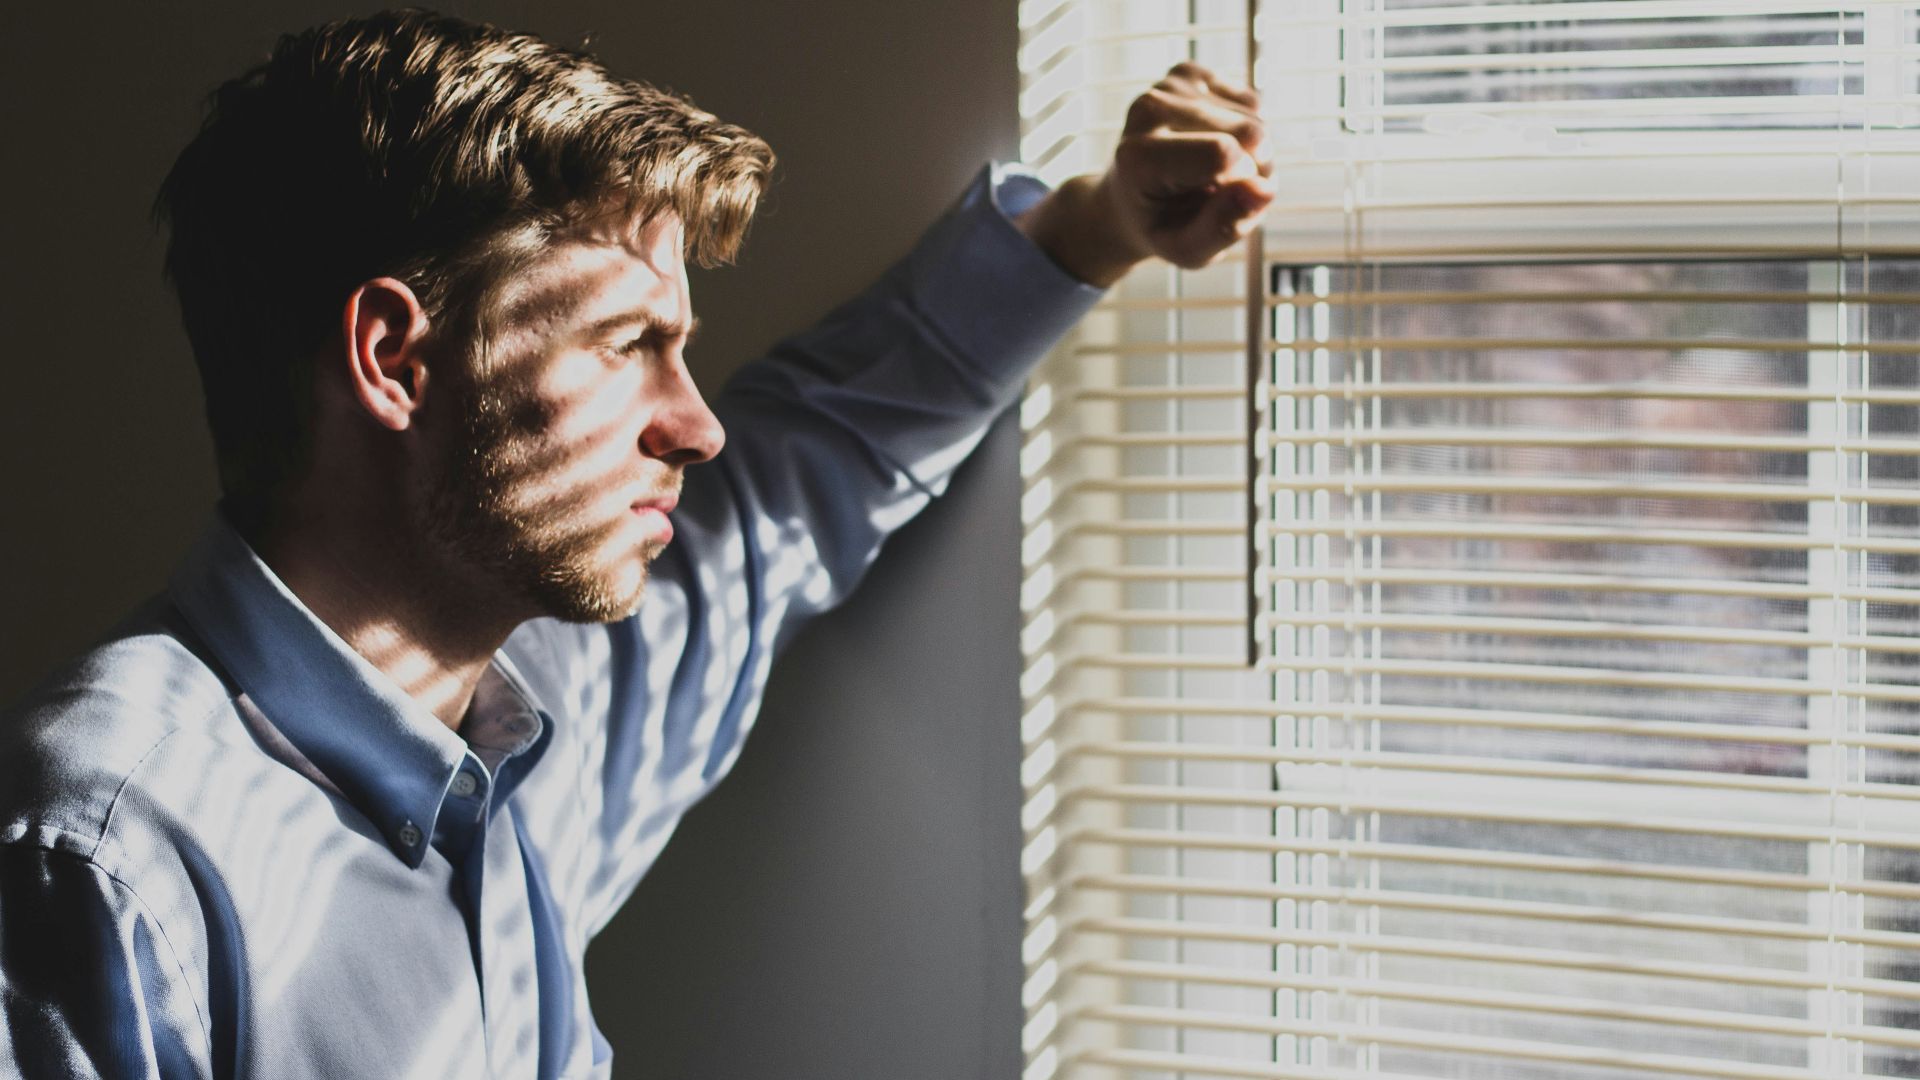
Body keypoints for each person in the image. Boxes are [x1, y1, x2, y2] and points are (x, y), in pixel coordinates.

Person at [0, 10, 1272, 1079]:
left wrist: (1100, 227)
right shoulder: (106, 863)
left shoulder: (537, 711)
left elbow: (800, 476)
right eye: (627, 347)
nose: (696, 424)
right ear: (396, 359)